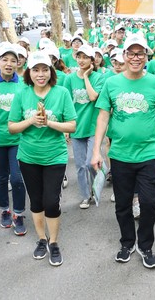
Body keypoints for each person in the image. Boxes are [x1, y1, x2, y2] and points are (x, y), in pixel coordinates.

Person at [91, 35, 155, 269]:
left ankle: (146, 245)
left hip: (147, 154)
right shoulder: (112, 83)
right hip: (120, 155)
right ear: (124, 56)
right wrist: (96, 150)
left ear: (146, 57)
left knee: (148, 203)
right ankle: (127, 242)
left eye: (140, 54)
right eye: (131, 53)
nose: (136, 58)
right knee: (122, 204)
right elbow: (103, 116)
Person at [9, 51, 77, 266]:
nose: (40, 74)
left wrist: (49, 123)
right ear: (29, 72)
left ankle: (54, 242)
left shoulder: (62, 93)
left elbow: (72, 125)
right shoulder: (22, 94)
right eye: (36, 70)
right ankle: (41, 239)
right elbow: (12, 127)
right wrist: (30, 121)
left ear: (51, 71)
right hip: (28, 157)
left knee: (51, 201)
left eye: (45, 69)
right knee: (36, 201)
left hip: (55, 156)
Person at [0, 44, 28, 235]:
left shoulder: (24, 83)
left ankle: (18, 213)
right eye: (5, 59)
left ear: (18, 62)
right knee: (1, 178)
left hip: (18, 139)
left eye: (13, 60)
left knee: (17, 178)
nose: (9, 64)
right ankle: (5, 210)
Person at [63, 44, 104, 209]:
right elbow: (65, 104)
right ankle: (86, 196)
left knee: (90, 163)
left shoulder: (99, 78)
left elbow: (94, 97)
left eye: (85, 57)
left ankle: (96, 187)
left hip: (93, 127)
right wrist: (66, 128)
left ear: (92, 60)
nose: (81, 60)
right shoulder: (69, 79)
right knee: (80, 166)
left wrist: (86, 77)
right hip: (76, 128)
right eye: (79, 57)